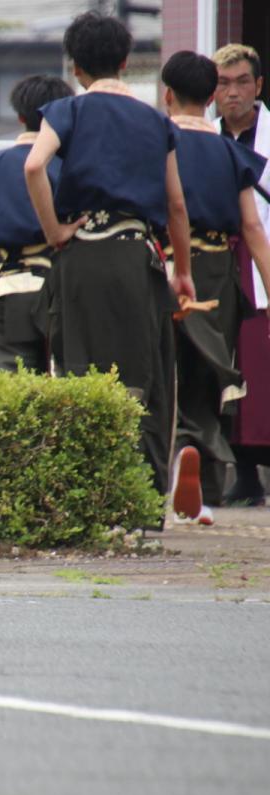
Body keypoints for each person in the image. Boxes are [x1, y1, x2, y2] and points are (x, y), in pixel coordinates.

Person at [24, 11, 194, 503]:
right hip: (137, 256)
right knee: (145, 379)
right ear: (124, 62)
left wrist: (55, 229)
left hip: (80, 256)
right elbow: (177, 203)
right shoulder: (154, 120)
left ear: (75, 67)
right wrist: (182, 272)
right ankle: (141, 502)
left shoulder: (67, 112)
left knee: (77, 373)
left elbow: (35, 165)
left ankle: (85, 498)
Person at [161, 51, 270, 523]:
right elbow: (252, 228)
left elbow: (164, 206)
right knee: (211, 376)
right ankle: (207, 489)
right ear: (210, 97)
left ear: (167, 95)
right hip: (219, 271)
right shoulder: (232, 153)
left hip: (165, 266)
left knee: (165, 374)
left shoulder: (157, 142)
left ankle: (167, 465)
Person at [0, 75, 74, 372]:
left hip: (8, 290)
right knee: (68, 389)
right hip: (63, 290)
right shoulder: (70, 165)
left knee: (13, 395)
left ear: (20, 117)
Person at [213, 43, 270, 506]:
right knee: (230, 369)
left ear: (258, 86)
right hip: (221, 266)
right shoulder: (203, 138)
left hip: (265, 260)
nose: (233, 93)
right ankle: (244, 473)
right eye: (223, 83)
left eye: (242, 82)